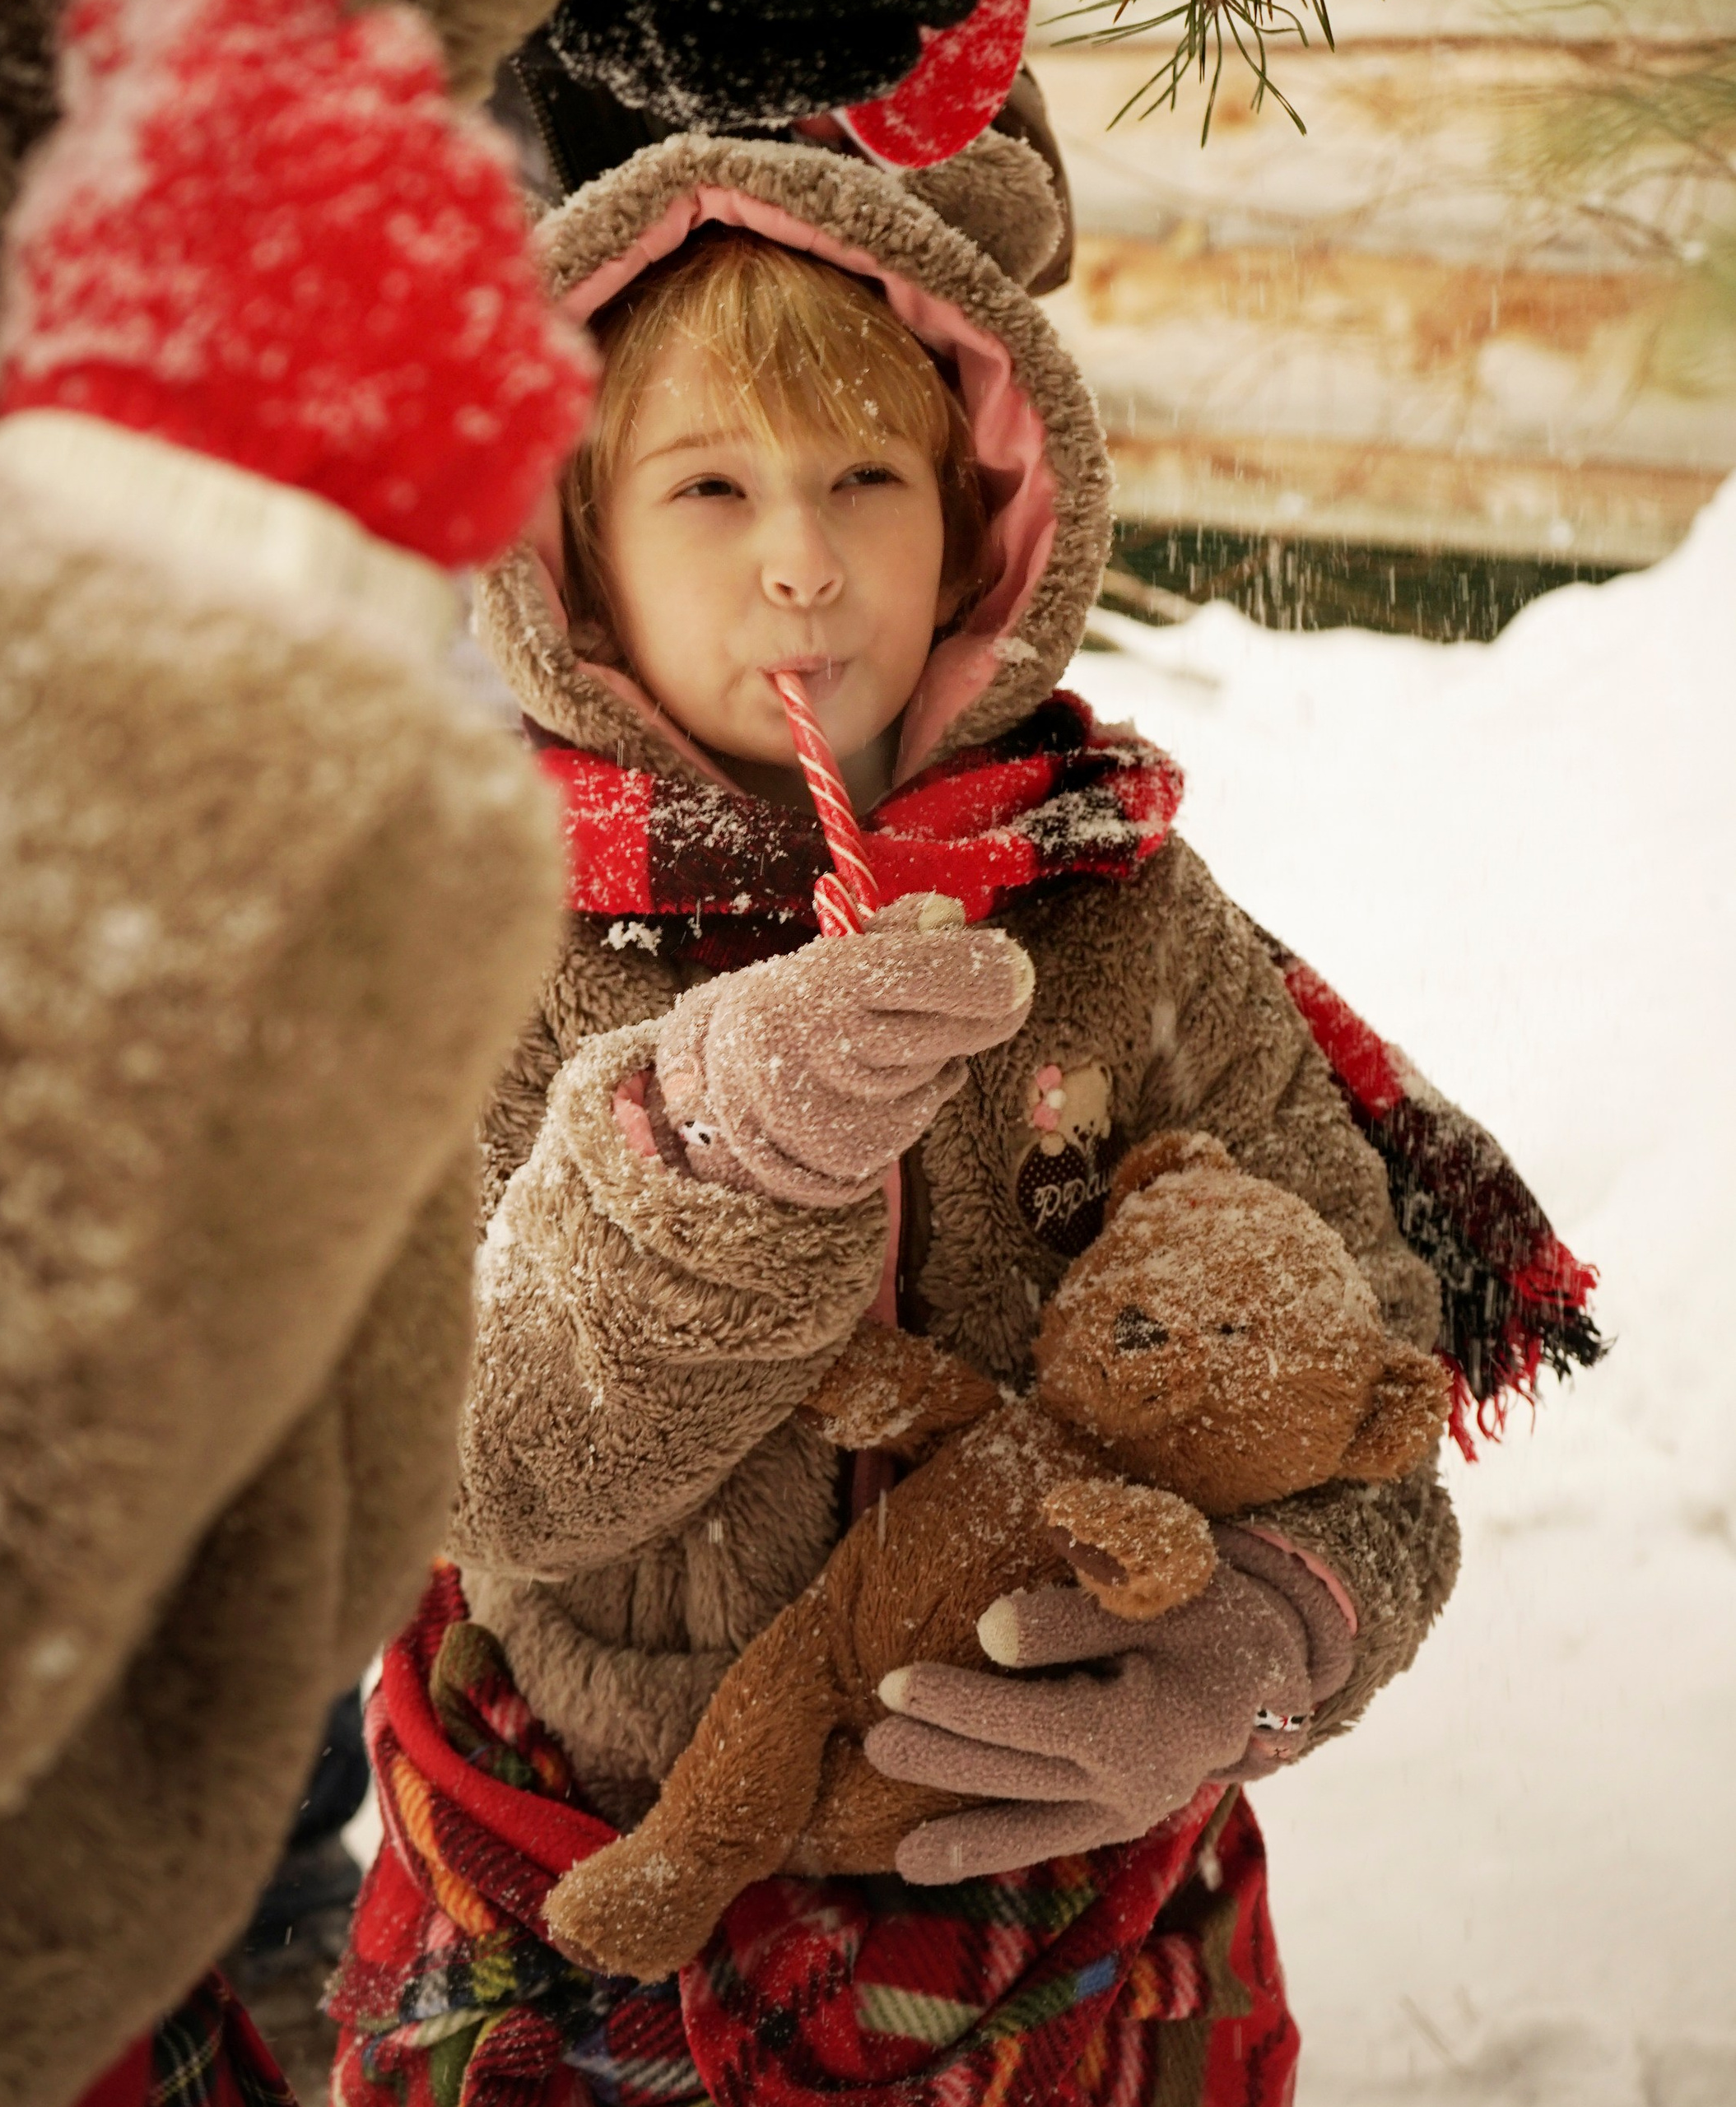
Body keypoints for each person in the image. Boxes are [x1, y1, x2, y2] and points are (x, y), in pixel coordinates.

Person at [320, 130, 1596, 2107]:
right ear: (569, 540)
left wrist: (1260, 1630)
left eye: (862, 480)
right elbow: (469, 1465)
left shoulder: (1112, 905)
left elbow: (1360, 1348)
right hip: (597, 1859)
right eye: (710, 487)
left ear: (982, 516)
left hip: (1057, 1883)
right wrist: (709, 1163)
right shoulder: (478, 930)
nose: (802, 559)